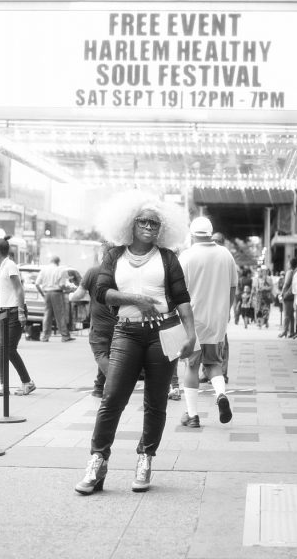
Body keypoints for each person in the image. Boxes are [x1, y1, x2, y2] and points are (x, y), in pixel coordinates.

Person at [75, 191, 196, 495]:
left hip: (164, 333)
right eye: (143, 221)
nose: (149, 227)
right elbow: (103, 292)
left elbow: (181, 299)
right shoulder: (114, 256)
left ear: (163, 228)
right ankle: (98, 461)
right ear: (130, 223)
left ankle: (145, 458)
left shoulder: (168, 258)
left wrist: (191, 334)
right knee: (112, 397)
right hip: (126, 331)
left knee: (156, 402)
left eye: (155, 223)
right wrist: (136, 299)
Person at [178, 216, 238, 428]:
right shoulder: (225, 254)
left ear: (193, 234)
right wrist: (226, 311)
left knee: (192, 367)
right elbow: (233, 288)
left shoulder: (186, 257)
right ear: (211, 232)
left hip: (192, 320)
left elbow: (178, 292)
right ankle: (221, 394)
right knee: (213, 364)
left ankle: (192, 415)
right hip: (216, 320)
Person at [69, 243, 116, 398]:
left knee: (101, 354)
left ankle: (116, 383)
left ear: (102, 254)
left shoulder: (93, 271)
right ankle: (98, 388)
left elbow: (78, 295)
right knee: (108, 354)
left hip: (99, 324)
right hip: (117, 323)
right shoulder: (119, 271)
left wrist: (70, 296)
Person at [0, 236, 36, 397]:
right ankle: (3, 385)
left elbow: (19, 289)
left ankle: (27, 382)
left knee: (9, 349)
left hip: (14, 312)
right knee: (1, 349)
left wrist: (21, 312)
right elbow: (6, 289)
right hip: (4, 311)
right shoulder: (0, 266)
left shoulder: (10, 265)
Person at [36, 256, 75, 343]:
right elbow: (61, 285)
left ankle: (45, 336)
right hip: (56, 293)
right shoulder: (60, 270)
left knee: (47, 315)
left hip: (47, 294)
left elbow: (37, 284)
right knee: (60, 315)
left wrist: (43, 294)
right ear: (58, 262)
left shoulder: (44, 269)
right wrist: (69, 289)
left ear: (51, 261)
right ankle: (65, 336)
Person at [278, 257, 297, 338]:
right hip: (292, 295)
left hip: (287, 295)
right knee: (291, 315)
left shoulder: (290, 272)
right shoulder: (295, 272)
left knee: (286, 314)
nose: (287, 264)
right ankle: (291, 331)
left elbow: (286, 284)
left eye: (288, 262)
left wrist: (282, 293)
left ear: (290, 264)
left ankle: (284, 331)